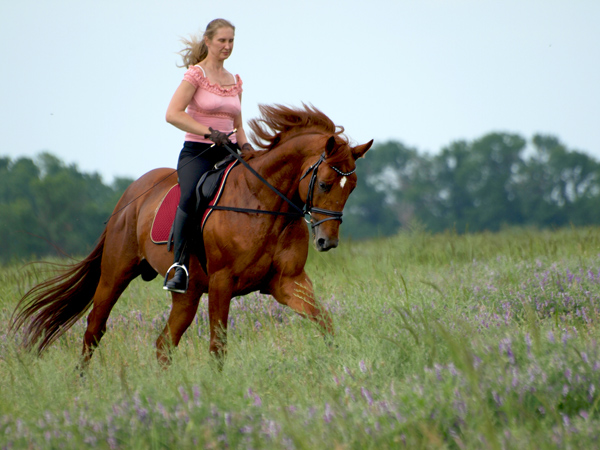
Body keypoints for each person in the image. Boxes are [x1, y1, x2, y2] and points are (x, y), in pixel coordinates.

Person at [163, 18, 253, 293]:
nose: (227, 46)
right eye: (222, 41)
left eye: (231, 41)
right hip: (198, 153)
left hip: (230, 152)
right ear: (208, 41)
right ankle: (178, 267)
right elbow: (172, 115)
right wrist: (208, 132)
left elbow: (237, 123)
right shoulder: (196, 75)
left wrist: (246, 146)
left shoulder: (234, 80)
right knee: (190, 195)